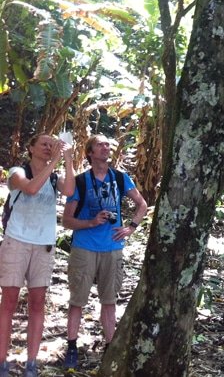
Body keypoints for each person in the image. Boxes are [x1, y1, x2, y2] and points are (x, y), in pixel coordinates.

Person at [61, 134, 148, 369]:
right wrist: (90, 222)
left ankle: (110, 349)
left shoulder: (119, 178)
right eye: (100, 145)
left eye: (108, 145)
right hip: (84, 247)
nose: (105, 148)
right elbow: (66, 220)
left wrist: (131, 227)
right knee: (77, 300)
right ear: (90, 152)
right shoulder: (80, 181)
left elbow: (142, 204)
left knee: (109, 301)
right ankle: (71, 347)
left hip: (112, 248)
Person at [0, 133, 74, 377]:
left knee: (38, 303)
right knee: (9, 302)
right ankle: (2, 361)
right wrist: (54, 161)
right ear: (31, 148)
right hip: (17, 242)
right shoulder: (16, 172)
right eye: (44, 144)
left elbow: (71, 190)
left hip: (44, 245)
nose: (48, 147)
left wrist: (68, 158)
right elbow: (31, 189)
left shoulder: (55, 178)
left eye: (52, 144)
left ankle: (31, 363)